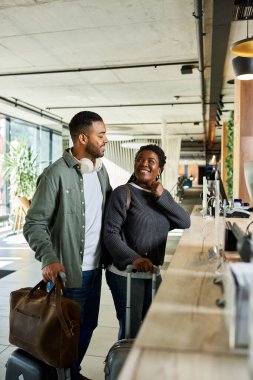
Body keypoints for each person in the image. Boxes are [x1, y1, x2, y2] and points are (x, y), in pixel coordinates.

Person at [23, 111, 111, 380]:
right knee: (66, 332)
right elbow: (34, 223)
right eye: (101, 135)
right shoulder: (54, 175)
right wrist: (49, 258)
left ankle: (70, 372)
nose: (106, 139)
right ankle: (61, 375)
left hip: (96, 268)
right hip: (69, 273)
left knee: (88, 326)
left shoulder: (100, 171)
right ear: (83, 137)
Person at [103, 144, 191, 340]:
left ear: (159, 170)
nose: (143, 164)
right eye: (139, 159)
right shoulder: (123, 193)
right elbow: (110, 234)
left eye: (151, 161)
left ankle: (142, 369)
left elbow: (185, 221)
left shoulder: (160, 197)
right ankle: (122, 369)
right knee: (131, 331)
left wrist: (162, 195)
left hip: (151, 274)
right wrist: (135, 259)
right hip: (125, 273)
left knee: (152, 328)